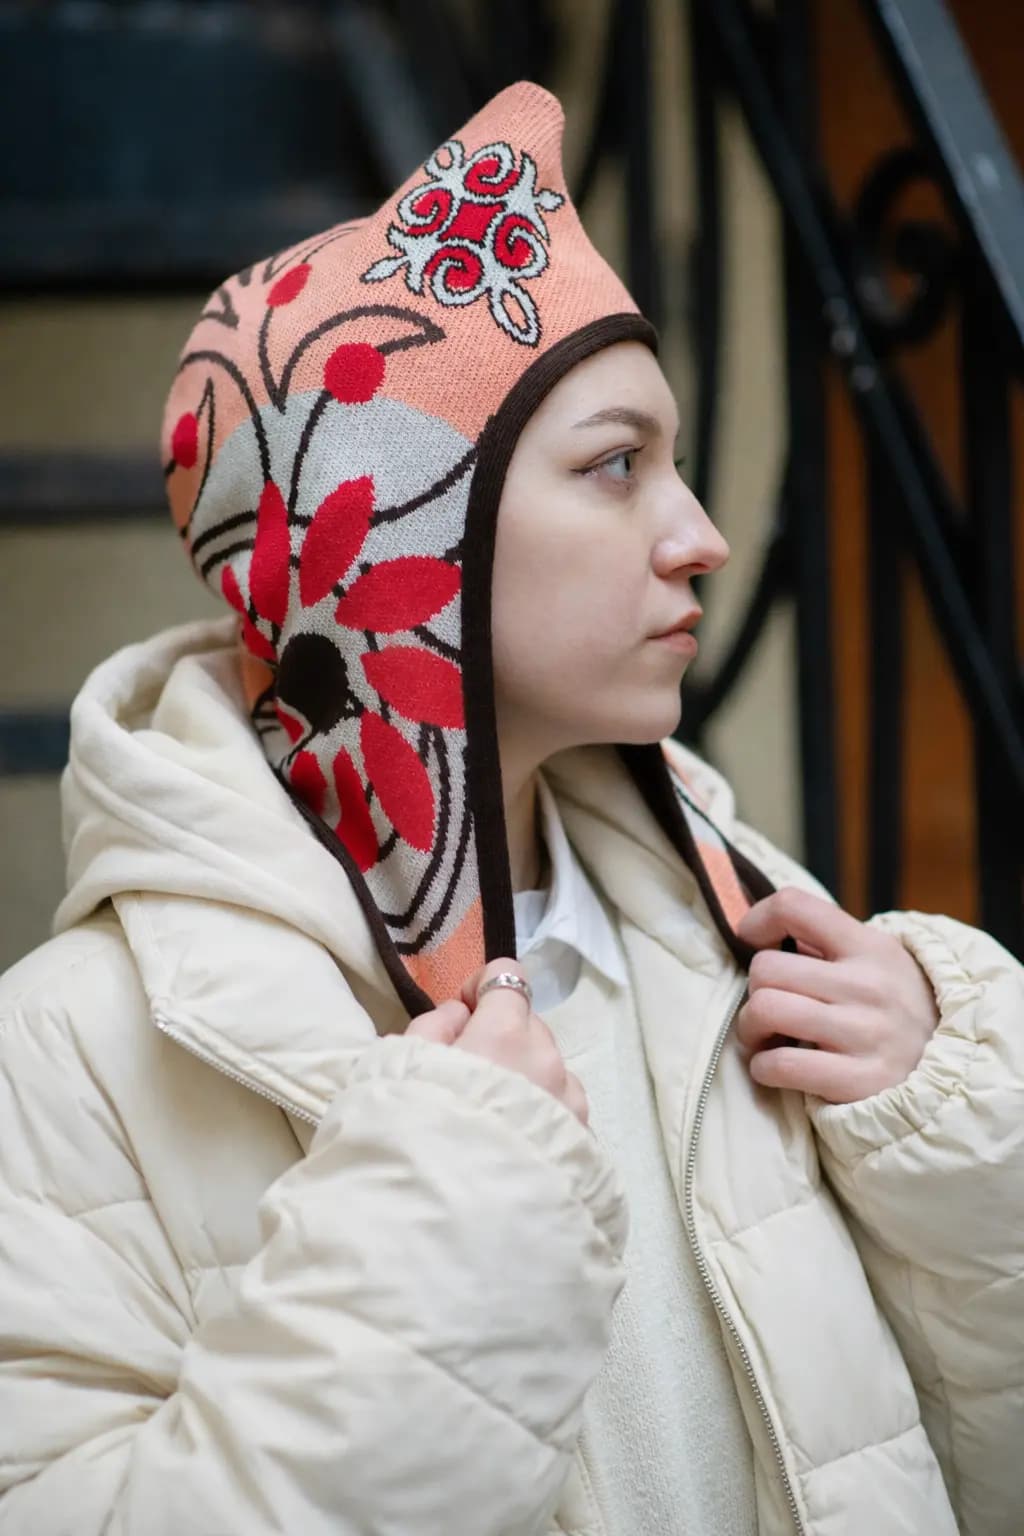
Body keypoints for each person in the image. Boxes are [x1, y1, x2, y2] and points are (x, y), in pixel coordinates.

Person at [0, 80, 1020, 1536]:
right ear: (398, 529)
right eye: (616, 466)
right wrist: (439, 1235)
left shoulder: (759, 939)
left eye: (673, 463)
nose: (703, 538)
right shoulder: (73, 1054)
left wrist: (965, 1142)